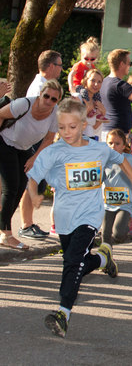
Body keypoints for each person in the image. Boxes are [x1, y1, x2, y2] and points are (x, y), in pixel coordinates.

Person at [26, 99, 132, 338]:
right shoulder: (54, 152)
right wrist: (34, 194)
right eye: (61, 127)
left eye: (72, 127)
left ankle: (63, 313)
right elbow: (33, 176)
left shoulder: (98, 149)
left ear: (83, 124)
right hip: (64, 217)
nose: (67, 132)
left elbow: (121, 160)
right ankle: (102, 259)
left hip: (89, 215)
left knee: (72, 261)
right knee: (75, 261)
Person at [0, 80, 62, 247]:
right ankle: (6, 234)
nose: (48, 101)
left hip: (23, 147)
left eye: (53, 99)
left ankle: (3, 227)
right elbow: (1, 115)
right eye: (46, 96)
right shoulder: (24, 104)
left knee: (21, 187)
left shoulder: (55, 114)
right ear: (40, 94)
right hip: (5, 142)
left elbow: (49, 139)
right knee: (11, 186)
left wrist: (34, 158)